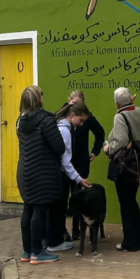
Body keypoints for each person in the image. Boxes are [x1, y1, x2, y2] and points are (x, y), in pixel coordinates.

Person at [15, 85, 66, 264]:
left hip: (24, 171)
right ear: (39, 99)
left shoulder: (19, 121)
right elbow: (59, 147)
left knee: (28, 208)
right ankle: (38, 252)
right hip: (42, 172)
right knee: (39, 210)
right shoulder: (46, 120)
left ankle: (27, 251)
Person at [104, 87, 140, 252]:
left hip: (125, 164)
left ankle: (130, 241)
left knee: (125, 203)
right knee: (131, 200)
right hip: (138, 162)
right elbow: (132, 113)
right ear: (131, 99)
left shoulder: (119, 117)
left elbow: (121, 140)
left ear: (116, 103)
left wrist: (109, 148)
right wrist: (130, 103)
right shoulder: (139, 112)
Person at [52, 101, 92, 253]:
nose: (81, 124)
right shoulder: (66, 132)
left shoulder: (58, 125)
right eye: (81, 120)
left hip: (54, 172)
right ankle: (56, 240)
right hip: (60, 175)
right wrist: (79, 178)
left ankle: (50, 239)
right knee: (59, 208)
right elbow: (66, 161)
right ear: (72, 115)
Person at [66, 89, 105, 239]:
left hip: (81, 162)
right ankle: (62, 230)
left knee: (78, 195)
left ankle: (77, 229)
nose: (77, 108)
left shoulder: (87, 118)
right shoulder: (64, 116)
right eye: (74, 104)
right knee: (64, 195)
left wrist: (95, 151)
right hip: (66, 163)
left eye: (80, 105)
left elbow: (100, 133)